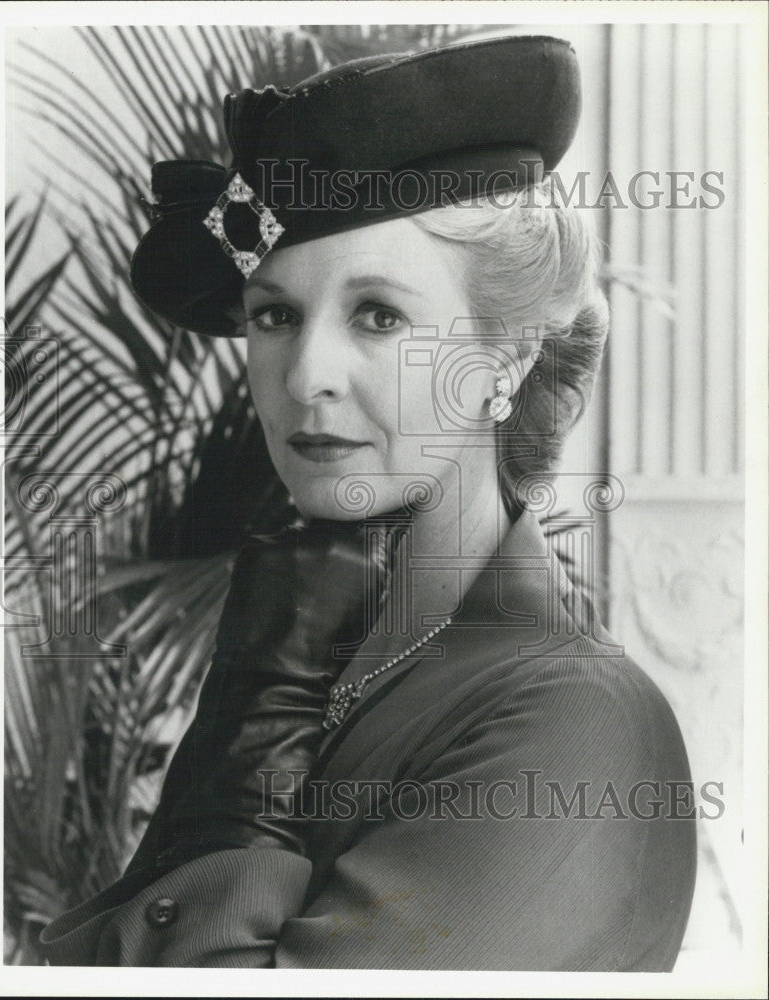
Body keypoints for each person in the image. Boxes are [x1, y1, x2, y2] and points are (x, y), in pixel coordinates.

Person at [40, 34, 696, 970]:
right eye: (274, 315)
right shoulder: (325, 658)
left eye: (378, 315)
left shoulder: (579, 723)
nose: (306, 376)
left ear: (501, 361)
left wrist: (255, 723)